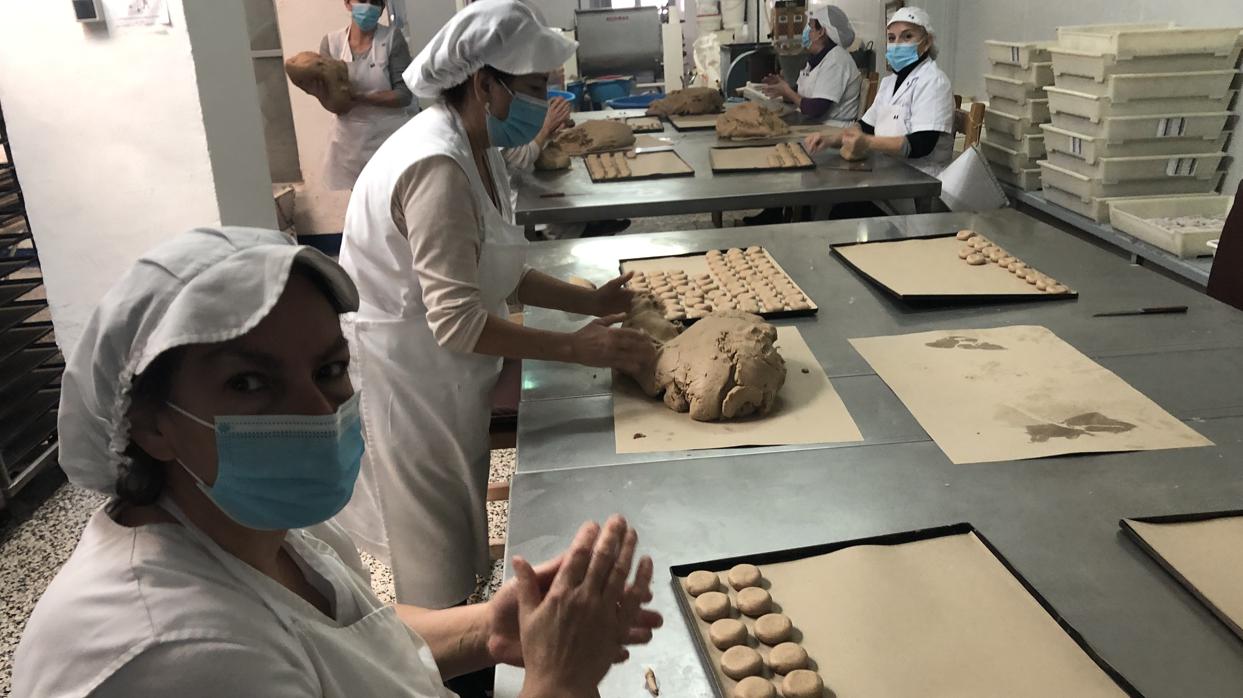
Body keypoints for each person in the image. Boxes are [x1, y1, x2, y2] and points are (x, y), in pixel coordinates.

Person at [11, 227, 661, 698]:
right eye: (248, 383)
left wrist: (488, 628)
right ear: (148, 422)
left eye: (328, 368)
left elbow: (348, 642)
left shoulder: (240, 520)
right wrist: (557, 681)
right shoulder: (173, 656)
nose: (316, 409)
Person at [335, 0, 656, 612]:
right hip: (410, 377)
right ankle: (449, 673)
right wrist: (573, 346)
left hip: (446, 371)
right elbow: (456, 320)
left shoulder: (476, 147)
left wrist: (590, 301)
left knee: (461, 528)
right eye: (534, 89)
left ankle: (468, 636)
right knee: (436, 556)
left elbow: (498, 270)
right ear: (485, 84)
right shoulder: (434, 164)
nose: (544, 102)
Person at [804, 6, 953, 176]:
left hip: (918, 183)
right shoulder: (889, 83)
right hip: (886, 173)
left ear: (926, 43)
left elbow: (921, 144)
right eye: (892, 37)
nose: (897, 44)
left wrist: (867, 143)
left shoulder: (934, 81)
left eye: (907, 36)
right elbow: (865, 126)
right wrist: (831, 139)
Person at [320, 0, 417, 191]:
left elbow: (403, 95)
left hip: (389, 140)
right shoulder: (332, 43)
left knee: (394, 203)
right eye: (362, 0)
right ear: (348, 3)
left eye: (375, 2)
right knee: (363, 206)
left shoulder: (391, 39)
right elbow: (330, 98)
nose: (369, 6)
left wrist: (360, 97)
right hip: (350, 146)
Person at [760, 3, 861, 125]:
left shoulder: (836, 61)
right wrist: (783, 88)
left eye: (810, 27)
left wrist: (788, 92)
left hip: (834, 130)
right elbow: (800, 97)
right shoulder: (816, 60)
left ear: (821, 32)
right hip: (815, 124)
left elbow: (815, 109)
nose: (806, 32)